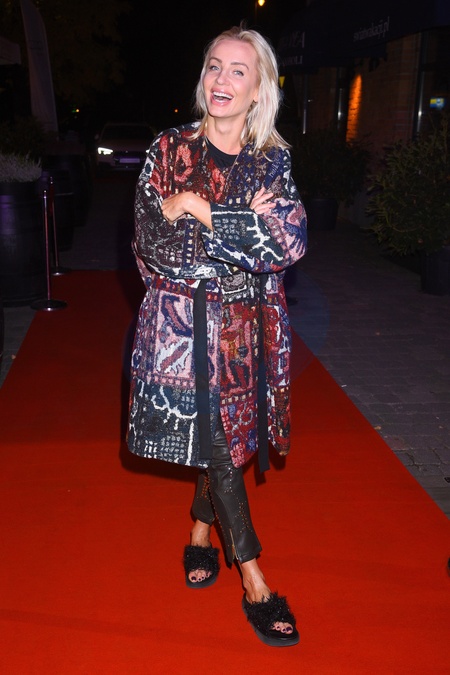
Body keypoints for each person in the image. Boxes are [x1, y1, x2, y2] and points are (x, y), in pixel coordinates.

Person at [127, 24, 307, 647]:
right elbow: (155, 245)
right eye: (213, 66)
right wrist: (239, 239)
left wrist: (200, 208)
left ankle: (200, 532)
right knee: (222, 443)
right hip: (182, 330)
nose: (222, 80)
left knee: (227, 441)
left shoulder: (271, 160)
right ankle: (255, 579)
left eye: (238, 70)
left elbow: (285, 244)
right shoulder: (169, 149)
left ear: (258, 90)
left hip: (246, 331)